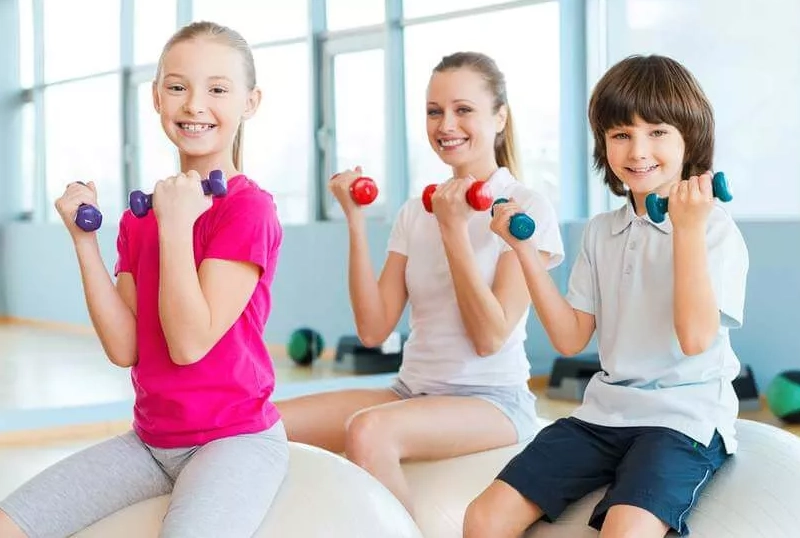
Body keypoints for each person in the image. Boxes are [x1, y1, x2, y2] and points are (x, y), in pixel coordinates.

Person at [0, 21, 288, 538]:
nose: (194, 104)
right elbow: (125, 346)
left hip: (235, 441)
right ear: (157, 98)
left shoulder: (249, 209)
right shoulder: (141, 216)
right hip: (151, 441)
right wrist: (83, 243)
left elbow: (190, 343)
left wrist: (176, 227)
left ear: (250, 102)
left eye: (217, 89)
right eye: (177, 87)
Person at [465, 54, 750, 538]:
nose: (638, 150)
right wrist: (523, 250)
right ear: (605, 145)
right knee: (483, 518)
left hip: (684, 419)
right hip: (604, 413)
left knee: (625, 530)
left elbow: (697, 337)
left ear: (691, 140)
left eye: (657, 132)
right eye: (621, 135)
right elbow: (570, 338)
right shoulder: (602, 231)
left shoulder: (714, 231)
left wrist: (686, 230)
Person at [276, 51, 564, 515]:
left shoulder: (525, 207)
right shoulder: (416, 211)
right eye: (435, 112)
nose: (446, 124)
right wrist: (355, 221)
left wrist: (454, 230)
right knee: (267, 421)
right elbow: (373, 329)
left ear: (500, 118)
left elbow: (491, 338)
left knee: (369, 430)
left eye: (463, 109)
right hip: (410, 390)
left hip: (493, 401)